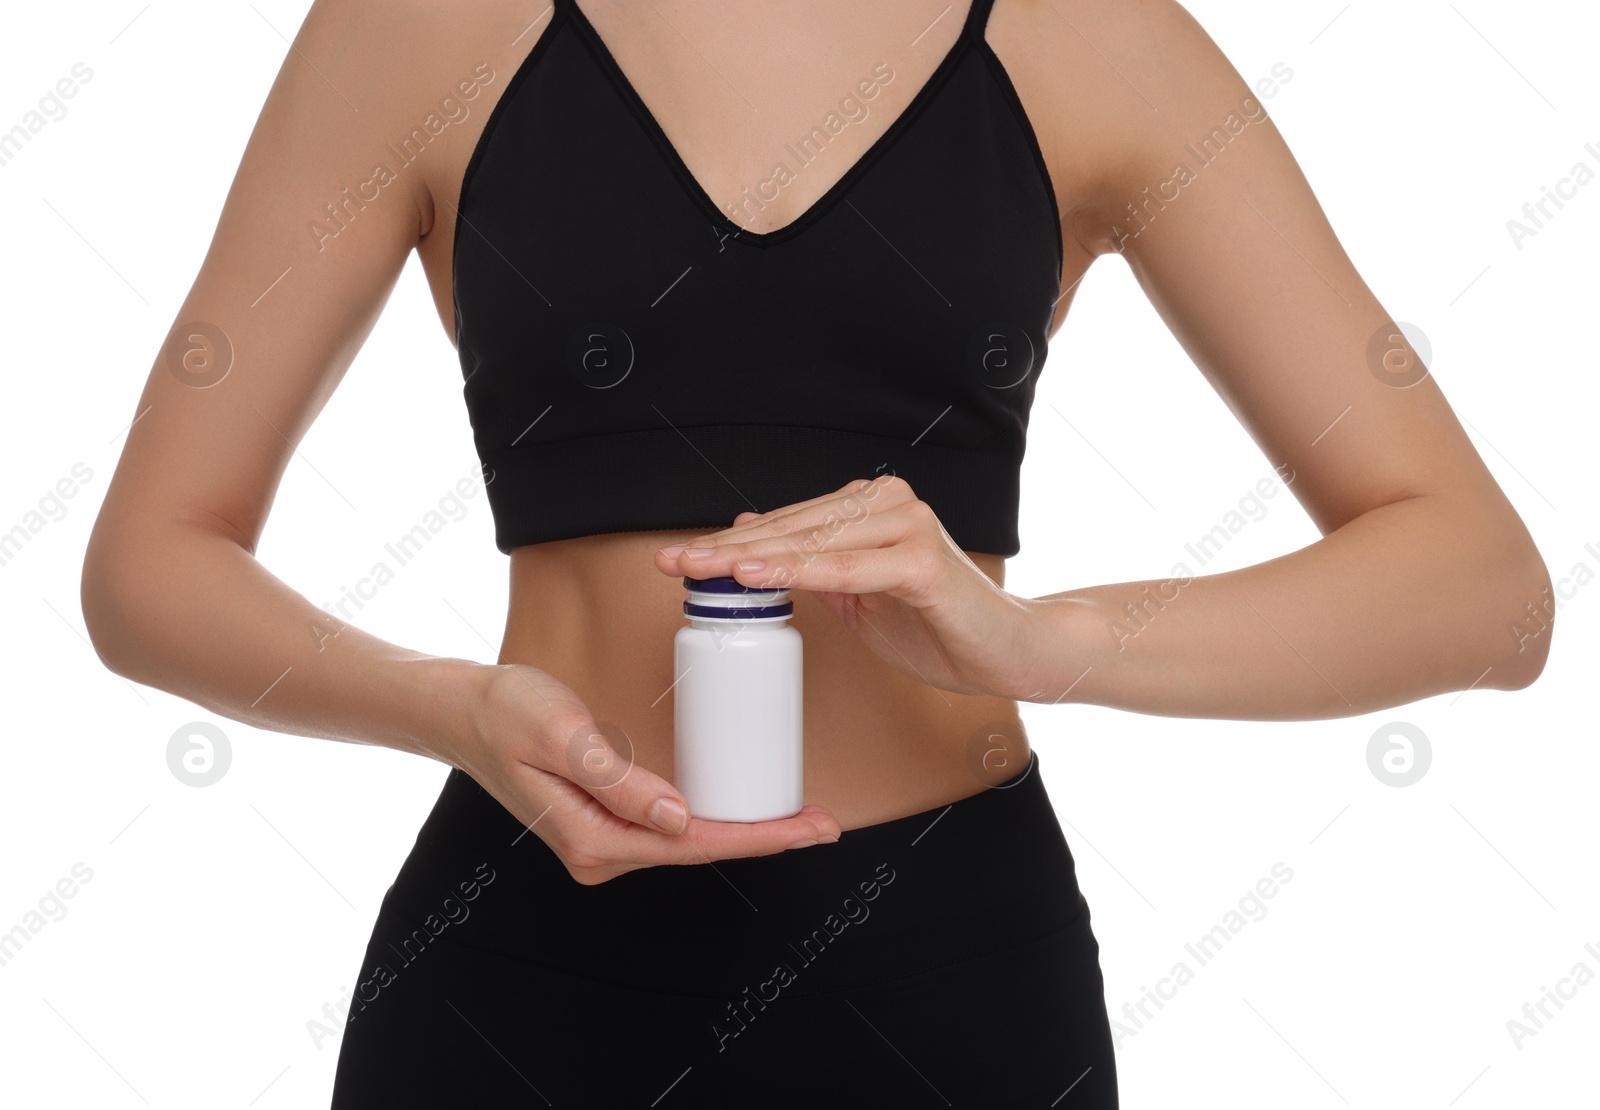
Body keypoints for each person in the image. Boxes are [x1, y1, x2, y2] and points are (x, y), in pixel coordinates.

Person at [80, 0, 1551, 1105]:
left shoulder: (1088, 36)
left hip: (948, 980)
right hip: (516, 966)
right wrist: (449, 706)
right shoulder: (424, 27)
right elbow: (151, 558)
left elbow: (1485, 587)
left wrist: (1040, 637)